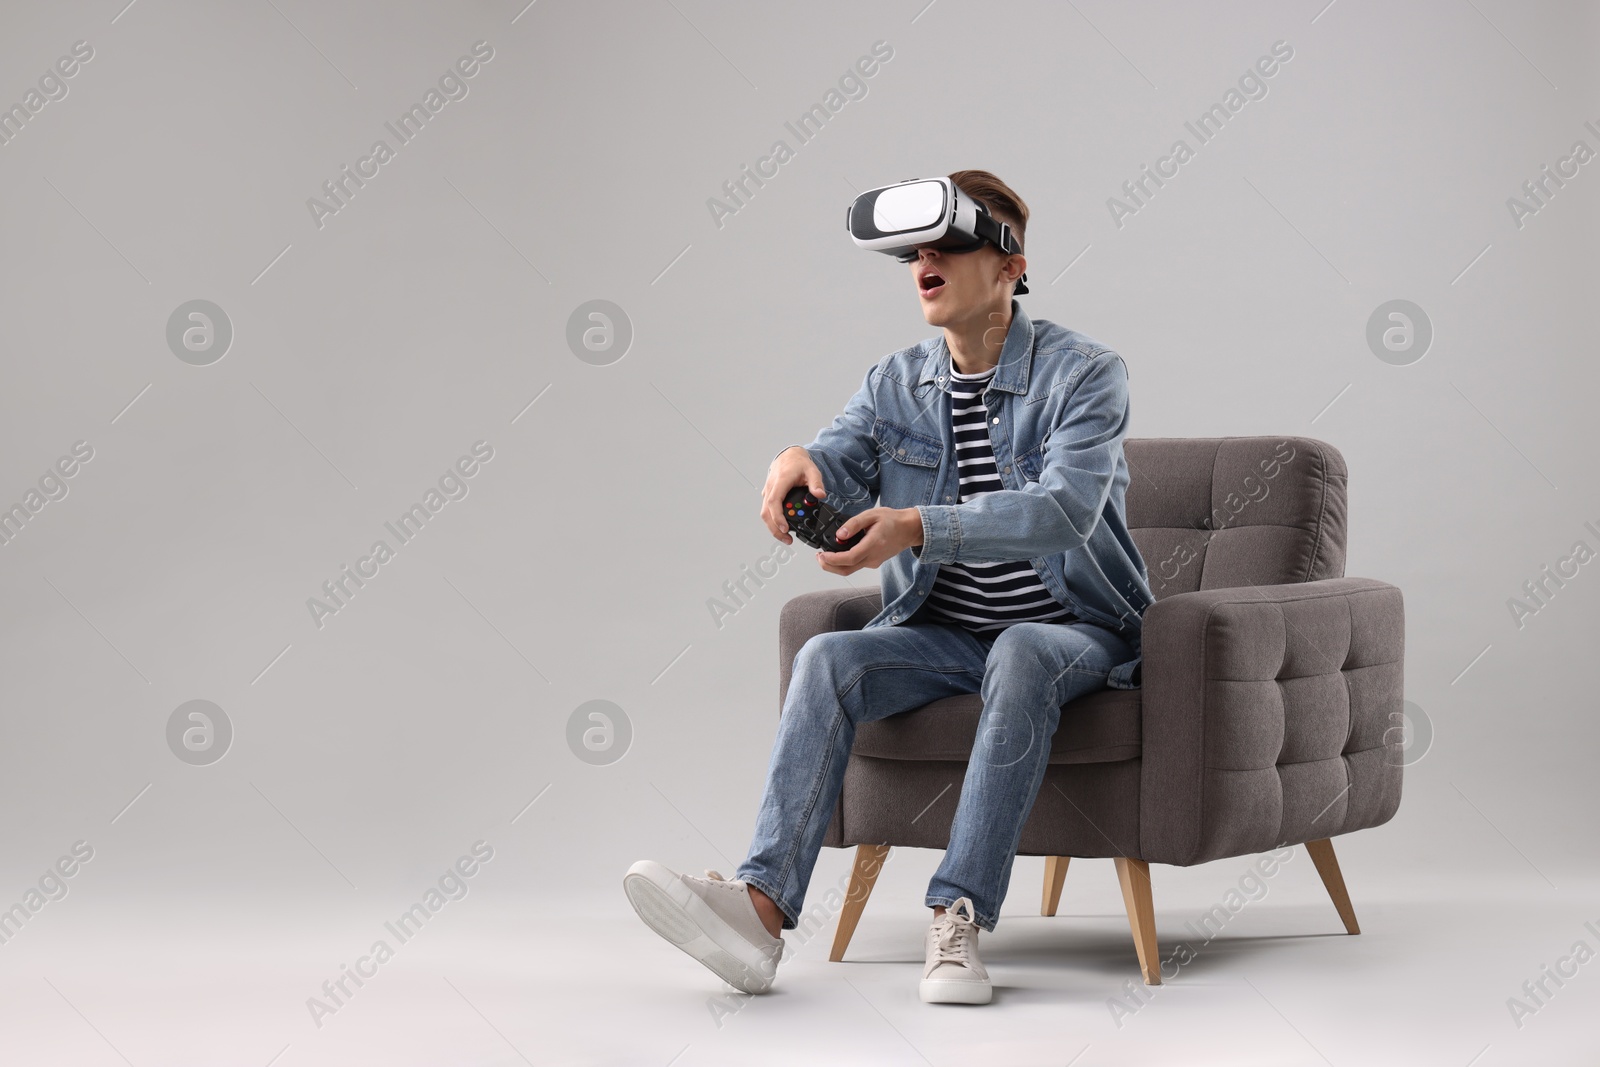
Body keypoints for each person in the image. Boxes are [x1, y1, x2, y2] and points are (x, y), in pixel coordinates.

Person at [625, 170, 1154, 1004]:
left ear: (1012, 265)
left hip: (1075, 628)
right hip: (946, 637)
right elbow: (833, 459)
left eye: (950, 245)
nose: (924, 261)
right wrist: (794, 463)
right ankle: (759, 913)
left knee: (1019, 647)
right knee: (831, 657)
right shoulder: (894, 382)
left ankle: (958, 915)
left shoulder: (1086, 373)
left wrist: (916, 526)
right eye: (916, 250)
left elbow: (1066, 511)